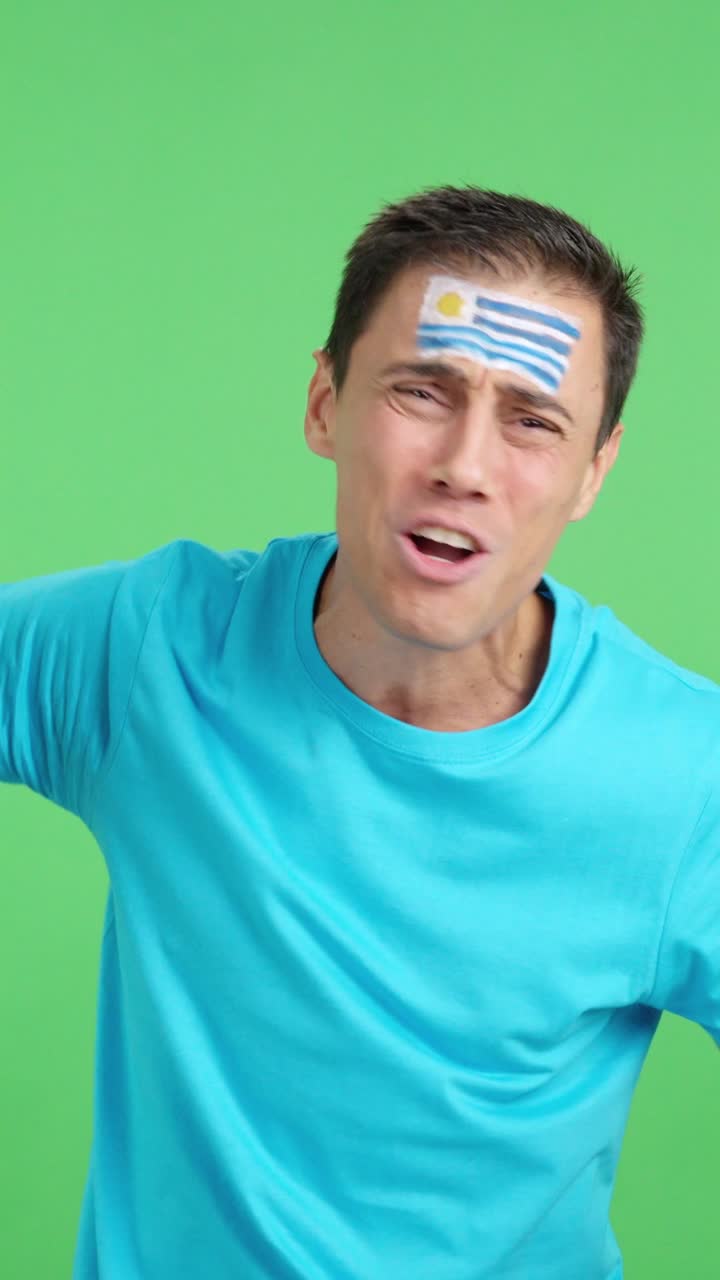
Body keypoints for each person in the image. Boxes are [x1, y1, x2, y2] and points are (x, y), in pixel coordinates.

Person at [1, 185, 718, 1280]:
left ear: (595, 470)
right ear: (325, 402)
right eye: (423, 391)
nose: (466, 465)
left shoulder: (683, 775)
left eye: (533, 419)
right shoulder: (148, 653)